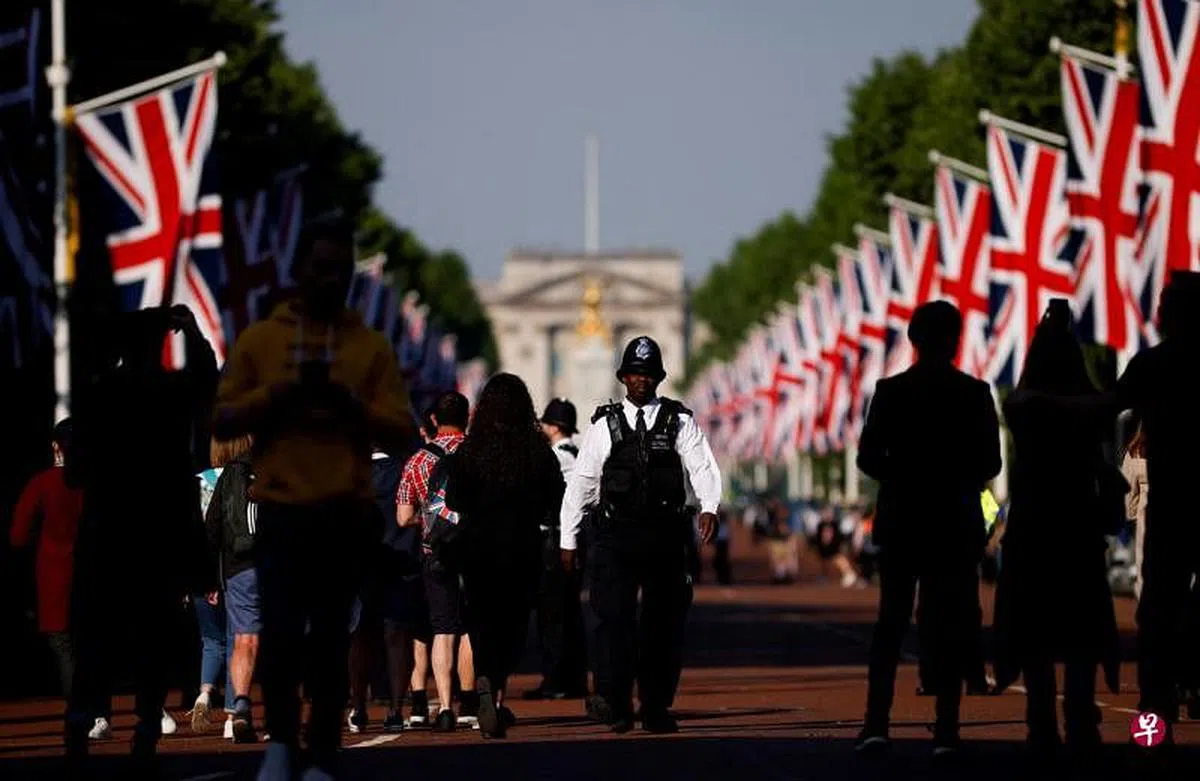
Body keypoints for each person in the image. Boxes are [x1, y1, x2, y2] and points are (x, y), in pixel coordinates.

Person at [213, 219, 416, 781]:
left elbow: (403, 432)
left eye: (338, 269)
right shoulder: (263, 341)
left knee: (330, 642)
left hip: (340, 513)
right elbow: (222, 416)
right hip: (279, 510)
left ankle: (321, 753)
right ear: (300, 272)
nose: (329, 279)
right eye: (319, 267)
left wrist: (352, 406)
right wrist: (276, 395)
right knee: (278, 636)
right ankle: (281, 742)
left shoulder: (368, 348)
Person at [66, 304, 218, 771]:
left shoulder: (96, 397)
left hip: (107, 536)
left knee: (96, 640)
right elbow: (206, 373)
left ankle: (77, 723)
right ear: (159, 345)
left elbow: (74, 473)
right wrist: (192, 331)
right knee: (155, 639)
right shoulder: (169, 393)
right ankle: (147, 724)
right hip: (159, 536)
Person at [854, 301, 1001, 758]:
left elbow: (867, 458)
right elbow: (991, 463)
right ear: (955, 341)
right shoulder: (974, 393)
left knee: (891, 625)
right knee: (952, 625)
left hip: (903, 520)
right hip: (954, 522)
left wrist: (904, 471)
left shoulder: (890, 391)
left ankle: (876, 724)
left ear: (912, 341)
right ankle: (947, 730)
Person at [560, 335, 721, 734]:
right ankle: (613, 701)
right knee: (613, 621)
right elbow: (582, 483)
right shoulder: (604, 425)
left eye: (649, 374)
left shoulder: (679, 420)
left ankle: (654, 706)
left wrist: (709, 506)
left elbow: (702, 467)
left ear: (659, 378)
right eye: (635, 373)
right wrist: (569, 539)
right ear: (623, 377)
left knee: (662, 625)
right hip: (615, 536)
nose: (642, 381)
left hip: (664, 537)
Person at [991, 301, 1121, 755]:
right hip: (1078, 528)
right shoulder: (1089, 408)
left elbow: (1023, 401)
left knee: (1034, 635)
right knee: (1082, 633)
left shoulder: (1024, 407)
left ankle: (1041, 724)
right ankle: (1080, 722)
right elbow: (1109, 402)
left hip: (1033, 528)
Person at [444, 374, 565, 738]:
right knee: (512, 626)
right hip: (522, 547)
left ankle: (484, 680)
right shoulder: (536, 449)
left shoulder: (470, 450)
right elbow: (555, 496)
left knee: (480, 621)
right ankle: (495, 695)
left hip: (478, 547)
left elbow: (453, 500)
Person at [1113, 270, 1200, 741]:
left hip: (1172, 503)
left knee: (1158, 607)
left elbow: (1105, 407)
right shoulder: (1153, 363)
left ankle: (1156, 709)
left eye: (1165, 304)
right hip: (1177, 500)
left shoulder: (1153, 363)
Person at [396, 392, 474, 732]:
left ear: (433, 421)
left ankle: (443, 706)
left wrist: (429, 519)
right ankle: (469, 702)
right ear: (467, 417)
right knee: (470, 627)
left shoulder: (416, 461)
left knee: (442, 629)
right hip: (474, 550)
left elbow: (402, 517)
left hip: (435, 552)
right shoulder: (479, 454)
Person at [9, 420, 84, 707]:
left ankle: (79, 711)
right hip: (90, 571)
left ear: (56, 447)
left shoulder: (42, 484)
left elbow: (18, 534)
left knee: (63, 644)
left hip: (54, 572)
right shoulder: (92, 484)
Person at [524, 398, 589, 701]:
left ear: (552, 427)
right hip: (575, 540)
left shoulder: (555, 458)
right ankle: (572, 678)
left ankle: (555, 679)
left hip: (552, 540)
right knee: (571, 612)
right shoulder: (579, 454)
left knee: (552, 615)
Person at [203, 435, 262, 743]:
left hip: (239, 566)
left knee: (244, 637)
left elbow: (213, 525)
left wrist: (210, 575)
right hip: (278, 564)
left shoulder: (232, 471)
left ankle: (240, 703)